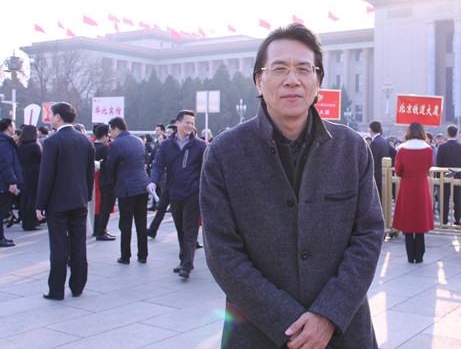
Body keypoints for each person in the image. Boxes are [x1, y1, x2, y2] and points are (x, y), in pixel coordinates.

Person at [200, 23, 384, 348]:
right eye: (279, 68)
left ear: (318, 81)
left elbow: (368, 235)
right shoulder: (224, 153)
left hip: (343, 333)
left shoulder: (351, 148)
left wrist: (328, 315)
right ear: (259, 80)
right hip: (257, 334)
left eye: (303, 69)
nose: (292, 80)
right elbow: (222, 253)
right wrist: (288, 323)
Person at [36, 102, 95, 300]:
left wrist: (40, 204)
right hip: (79, 200)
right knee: (79, 244)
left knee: (59, 246)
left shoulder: (53, 142)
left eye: (51, 115)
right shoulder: (85, 140)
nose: (49, 119)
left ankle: (56, 290)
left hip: (58, 202)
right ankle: (77, 287)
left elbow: (46, 177)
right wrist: (86, 196)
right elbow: (89, 172)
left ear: (58, 117)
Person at [149, 110, 206, 279]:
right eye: (187, 122)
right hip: (174, 191)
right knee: (180, 228)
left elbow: (206, 169)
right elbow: (158, 165)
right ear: (178, 123)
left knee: (190, 229)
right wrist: (153, 182)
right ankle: (184, 259)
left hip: (193, 193)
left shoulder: (199, 145)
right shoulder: (167, 145)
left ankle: (187, 265)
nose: (190, 126)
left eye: (192, 123)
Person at [107, 117, 150, 264]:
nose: (110, 134)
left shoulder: (116, 144)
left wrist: (114, 184)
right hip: (142, 185)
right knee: (141, 222)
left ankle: (125, 256)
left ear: (116, 129)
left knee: (125, 223)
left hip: (126, 188)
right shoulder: (138, 141)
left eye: (111, 131)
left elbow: (111, 167)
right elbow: (144, 159)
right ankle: (143, 255)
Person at [393, 122, 434, 263]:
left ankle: (410, 256)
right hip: (422, 185)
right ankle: (420, 255)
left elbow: (398, 170)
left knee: (408, 221)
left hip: (407, 186)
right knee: (420, 220)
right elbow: (429, 166)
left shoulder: (402, 149)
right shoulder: (428, 149)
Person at [435, 124, 461, 225]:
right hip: (458, 176)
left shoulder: (442, 147)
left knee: (444, 199)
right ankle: (457, 219)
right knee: (457, 199)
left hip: (445, 176)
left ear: (447, 134)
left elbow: (439, 163)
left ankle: (444, 220)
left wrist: (439, 177)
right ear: (456, 134)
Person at [0, 118, 23, 246]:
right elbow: (5, 164)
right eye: (13, 126)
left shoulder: (4, 141)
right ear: (9, 128)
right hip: (3, 183)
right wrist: (12, 181)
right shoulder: (4, 143)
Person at [93, 124, 116, 241]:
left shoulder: (92, 147)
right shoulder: (105, 149)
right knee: (105, 207)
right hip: (106, 181)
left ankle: (98, 229)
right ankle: (101, 230)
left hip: (97, 180)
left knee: (98, 206)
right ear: (105, 136)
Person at [17, 125, 42, 231]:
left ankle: (25, 222)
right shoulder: (34, 146)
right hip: (34, 174)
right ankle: (32, 223)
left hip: (23, 173)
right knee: (33, 199)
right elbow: (41, 159)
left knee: (25, 199)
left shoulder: (20, 146)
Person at [369, 120, 390, 201]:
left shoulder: (375, 143)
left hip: (376, 176)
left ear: (370, 130)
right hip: (385, 174)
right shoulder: (385, 141)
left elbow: (372, 160)